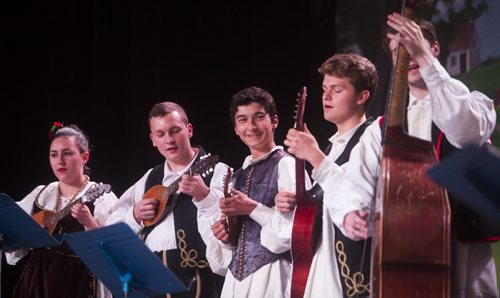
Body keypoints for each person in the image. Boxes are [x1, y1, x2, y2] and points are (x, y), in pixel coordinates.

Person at [333, 13, 498, 298]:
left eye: (415, 46)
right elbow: (353, 183)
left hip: (463, 254)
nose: (408, 56)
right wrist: (349, 214)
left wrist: (429, 64)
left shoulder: (474, 103)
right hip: (401, 256)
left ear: (434, 49)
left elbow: (462, 131)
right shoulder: (381, 130)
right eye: (399, 51)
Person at [274, 53, 378, 297]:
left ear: (362, 97)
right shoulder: (333, 146)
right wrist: (295, 202)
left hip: (350, 276)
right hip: (321, 271)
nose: (326, 96)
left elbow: (356, 198)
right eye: (324, 89)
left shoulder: (371, 139)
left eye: (337, 90)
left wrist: (315, 156)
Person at [196, 86, 311, 297]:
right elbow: (229, 252)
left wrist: (251, 208)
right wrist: (225, 237)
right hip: (236, 283)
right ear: (236, 129)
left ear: (274, 121)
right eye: (243, 120)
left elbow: (292, 233)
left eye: (258, 117)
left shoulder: (286, 165)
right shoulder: (237, 176)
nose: (251, 126)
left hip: (272, 276)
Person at [106, 101, 227, 298]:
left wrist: (205, 196)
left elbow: (230, 233)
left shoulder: (218, 171)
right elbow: (111, 224)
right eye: (160, 134)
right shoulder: (150, 178)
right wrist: (135, 215)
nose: (169, 140)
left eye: (175, 130)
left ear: (189, 130)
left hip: (196, 280)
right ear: (152, 139)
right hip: (149, 280)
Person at [5, 122, 118, 298]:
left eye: (68, 153)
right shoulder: (43, 193)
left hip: (79, 281)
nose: (60, 161)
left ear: (84, 157)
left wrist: (89, 223)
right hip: (37, 281)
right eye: (54, 154)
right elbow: (11, 229)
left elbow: (116, 251)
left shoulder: (100, 197)